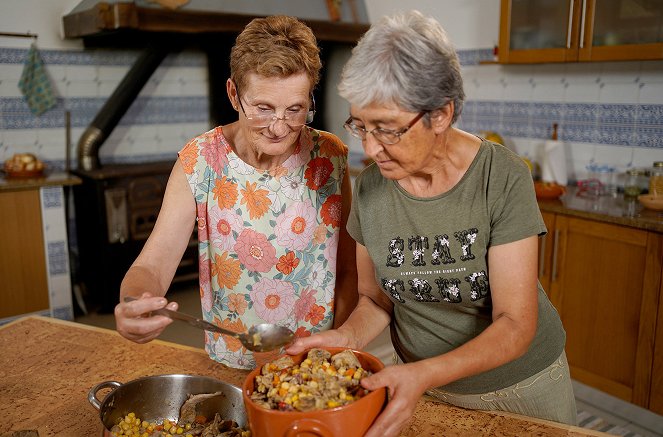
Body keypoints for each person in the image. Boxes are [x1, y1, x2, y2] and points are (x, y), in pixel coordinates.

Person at [286, 10, 576, 436]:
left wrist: (424, 374)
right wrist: (347, 337)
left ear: (440, 114)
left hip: (520, 386)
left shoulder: (501, 177)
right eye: (360, 127)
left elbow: (515, 324)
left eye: (387, 130)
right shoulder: (370, 188)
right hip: (420, 386)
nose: (370, 148)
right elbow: (375, 300)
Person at [114, 15, 357, 369]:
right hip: (231, 360)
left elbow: (349, 269)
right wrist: (133, 303)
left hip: (317, 360)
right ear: (233, 94)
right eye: (263, 109)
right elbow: (154, 262)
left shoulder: (330, 157)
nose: (278, 127)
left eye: (295, 110)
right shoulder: (199, 161)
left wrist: (338, 346)